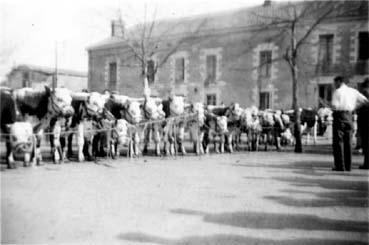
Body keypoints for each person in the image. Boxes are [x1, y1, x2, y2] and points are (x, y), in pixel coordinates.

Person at [331, 76, 368, 171]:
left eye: (335, 83)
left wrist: (331, 107)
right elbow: (365, 101)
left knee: (338, 142)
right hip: (349, 116)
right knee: (348, 142)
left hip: (339, 116)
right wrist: (354, 107)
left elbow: (334, 106)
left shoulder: (337, 92)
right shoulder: (353, 91)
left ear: (339, 82)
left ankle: (340, 165)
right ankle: (348, 166)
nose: (334, 85)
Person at [358, 78, 369, 169]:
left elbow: (361, 107)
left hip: (365, 121)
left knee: (366, 142)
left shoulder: (365, 93)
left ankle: (367, 163)